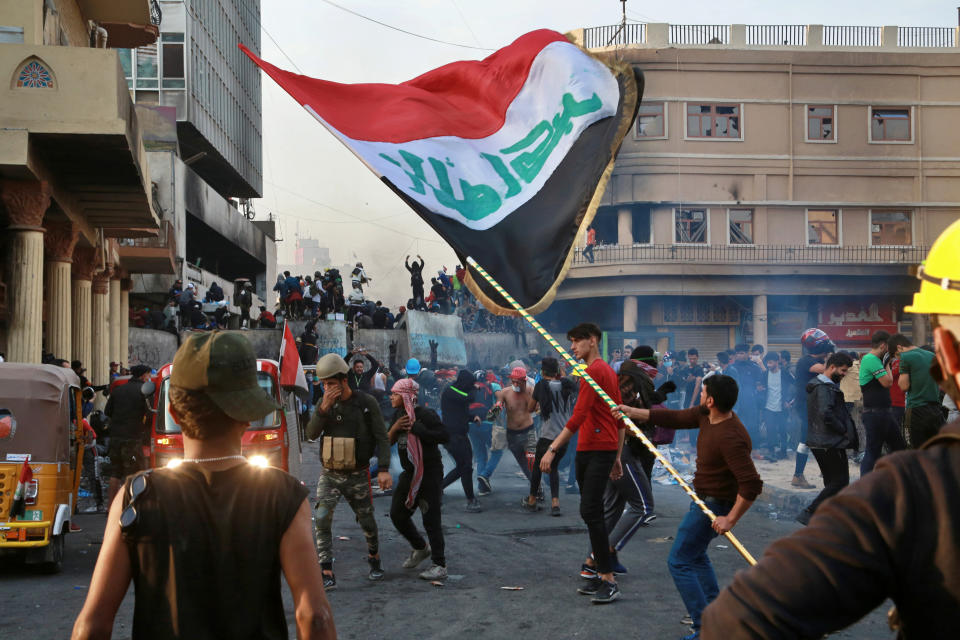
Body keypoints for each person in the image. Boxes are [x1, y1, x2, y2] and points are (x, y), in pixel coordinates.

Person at [701, 219, 960, 639]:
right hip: (825, 432)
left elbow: (735, 621)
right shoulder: (812, 369)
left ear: (945, 353)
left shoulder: (918, 490)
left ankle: (809, 502)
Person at [71, 331, 335, 640]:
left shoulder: (135, 497)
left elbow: (92, 627)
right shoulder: (284, 495)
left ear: (172, 412)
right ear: (247, 416)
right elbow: (314, 617)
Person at [617, 374, 762, 639]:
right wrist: (631, 411)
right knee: (695, 555)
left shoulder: (731, 437)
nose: (700, 394)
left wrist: (730, 519)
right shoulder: (705, 415)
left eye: (703, 391)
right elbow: (674, 417)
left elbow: (751, 485)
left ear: (711, 400)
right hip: (705, 498)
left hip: (717, 503)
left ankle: (704, 627)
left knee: (679, 560)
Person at [539, 322, 625, 605]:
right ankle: (598, 572)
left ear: (592, 340)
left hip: (597, 449)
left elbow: (577, 416)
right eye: (571, 342)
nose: (572, 347)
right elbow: (618, 417)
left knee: (591, 510)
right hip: (592, 449)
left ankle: (607, 577)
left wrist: (551, 449)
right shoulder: (603, 372)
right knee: (591, 512)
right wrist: (618, 457)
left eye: (576, 341)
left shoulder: (596, 372)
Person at [306, 353, 392, 590]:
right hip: (330, 473)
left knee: (367, 521)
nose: (328, 389)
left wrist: (383, 469)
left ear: (344, 381)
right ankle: (326, 570)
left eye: (331, 384)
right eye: (324, 385)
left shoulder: (366, 403)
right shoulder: (324, 404)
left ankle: (374, 557)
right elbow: (311, 434)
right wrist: (323, 408)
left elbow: (381, 437)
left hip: (357, 473)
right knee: (322, 518)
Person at [579, 358, 658, 578]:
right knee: (643, 506)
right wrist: (641, 431)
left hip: (610, 452)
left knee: (611, 509)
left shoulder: (613, 388)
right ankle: (602, 554)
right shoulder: (622, 393)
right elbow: (620, 424)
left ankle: (590, 564)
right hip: (620, 453)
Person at [386, 378, 450, 580]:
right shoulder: (398, 415)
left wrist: (420, 431)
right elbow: (388, 441)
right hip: (410, 473)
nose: (391, 397)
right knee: (397, 514)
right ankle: (421, 548)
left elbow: (444, 435)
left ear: (406, 395)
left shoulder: (425, 415)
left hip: (429, 473)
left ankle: (439, 564)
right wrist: (395, 428)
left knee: (431, 519)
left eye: (395, 394)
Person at [795, 351, 858, 525]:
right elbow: (825, 413)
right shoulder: (824, 388)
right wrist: (843, 430)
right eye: (843, 370)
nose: (844, 375)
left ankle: (831, 516)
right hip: (829, 441)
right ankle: (810, 512)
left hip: (819, 441)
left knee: (831, 482)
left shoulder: (817, 385)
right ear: (832, 367)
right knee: (840, 481)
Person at [525, 357, 576, 515]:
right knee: (553, 468)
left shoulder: (541, 386)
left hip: (547, 436)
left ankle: (532, 499)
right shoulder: (567, 384)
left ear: (542, 371)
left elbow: (530, 409)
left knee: (537, 468)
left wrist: (541, 404)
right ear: (557, 371)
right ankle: (555, 503)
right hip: (564, 436)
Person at [792, 328, 834, 488]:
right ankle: (798, 475)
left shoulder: (815, 360)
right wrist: (831, 356)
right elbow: (827, 371)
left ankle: (825, 470)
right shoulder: (806, 361)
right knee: (807, 439)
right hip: (807, 405)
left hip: (815, 404)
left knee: (819, 437)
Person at [858, 331, 906, 475]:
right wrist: (886, 363)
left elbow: (888, 382)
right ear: (884, 345)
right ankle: (865, 486)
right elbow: (887, 382)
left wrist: (886, 362)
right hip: (875, 414)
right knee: (873, 452)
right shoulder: (871, 359)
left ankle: (895, 479)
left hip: (884, 413)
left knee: (899, 447)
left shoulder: (877, 360)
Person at [103, 365, 152, 502]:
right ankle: (130, 503)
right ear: (143, 376)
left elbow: (108, 412)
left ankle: (111, 506)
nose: (148, 378)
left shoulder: (118, 390)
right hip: (133, 437)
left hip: (115, 437)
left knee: (115, 472)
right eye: (148, 375)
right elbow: (150, 415)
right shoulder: (144, 391)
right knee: (134, 472)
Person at [889, 333, 945, 447]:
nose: (898, 359)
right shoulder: (932, 355)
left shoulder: (906, 357)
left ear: (899, 348)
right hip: (935, 411)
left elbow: (903, 386)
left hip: (916, 410)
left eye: (897, 355)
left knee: (914, 451)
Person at [440, 370, 482, 512]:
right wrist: (474, 388)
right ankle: (471, 500)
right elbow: (468, 398)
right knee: (466, 467)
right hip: (453, 437)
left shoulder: (457, 392)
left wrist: (472, 417)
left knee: (463, 467)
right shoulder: (451, 390)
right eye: (469, 384)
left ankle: (437, 489)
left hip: (459, 436)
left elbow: (459, 412)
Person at [495, 366, 537, 482]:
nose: (515, 384)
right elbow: (496, 409)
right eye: (513, 381)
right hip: (512, 434)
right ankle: (536, 487)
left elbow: (537, 409)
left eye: (518, 382)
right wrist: (495, 410)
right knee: (523, 464)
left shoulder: (531, 391)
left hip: (529, 432)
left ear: (524, 380)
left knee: (531, 462)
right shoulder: (505, 392)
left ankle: (537, 489)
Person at [726, 344, 763, 445]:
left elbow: (760, 384)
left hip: (750, 401)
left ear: (747, 354)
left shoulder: (754, 367)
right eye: (737, 353)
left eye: (741, 353)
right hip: (736, 402)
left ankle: (754, 449)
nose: (739, 355)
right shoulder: (731, 368)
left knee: (753, 426)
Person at [759, 351, 794, 460]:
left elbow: (795, 386)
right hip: (768, 407)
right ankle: (771, 452)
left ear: (777, 362)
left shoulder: (784, 373)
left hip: (782, 407)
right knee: (770, 430)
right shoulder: (765, 374)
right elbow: (761, 387)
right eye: (767, 363)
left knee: (783, 430)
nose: (768, 365)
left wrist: (789, 401)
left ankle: (783, 452)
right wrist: (759, 389)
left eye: (770, 362)